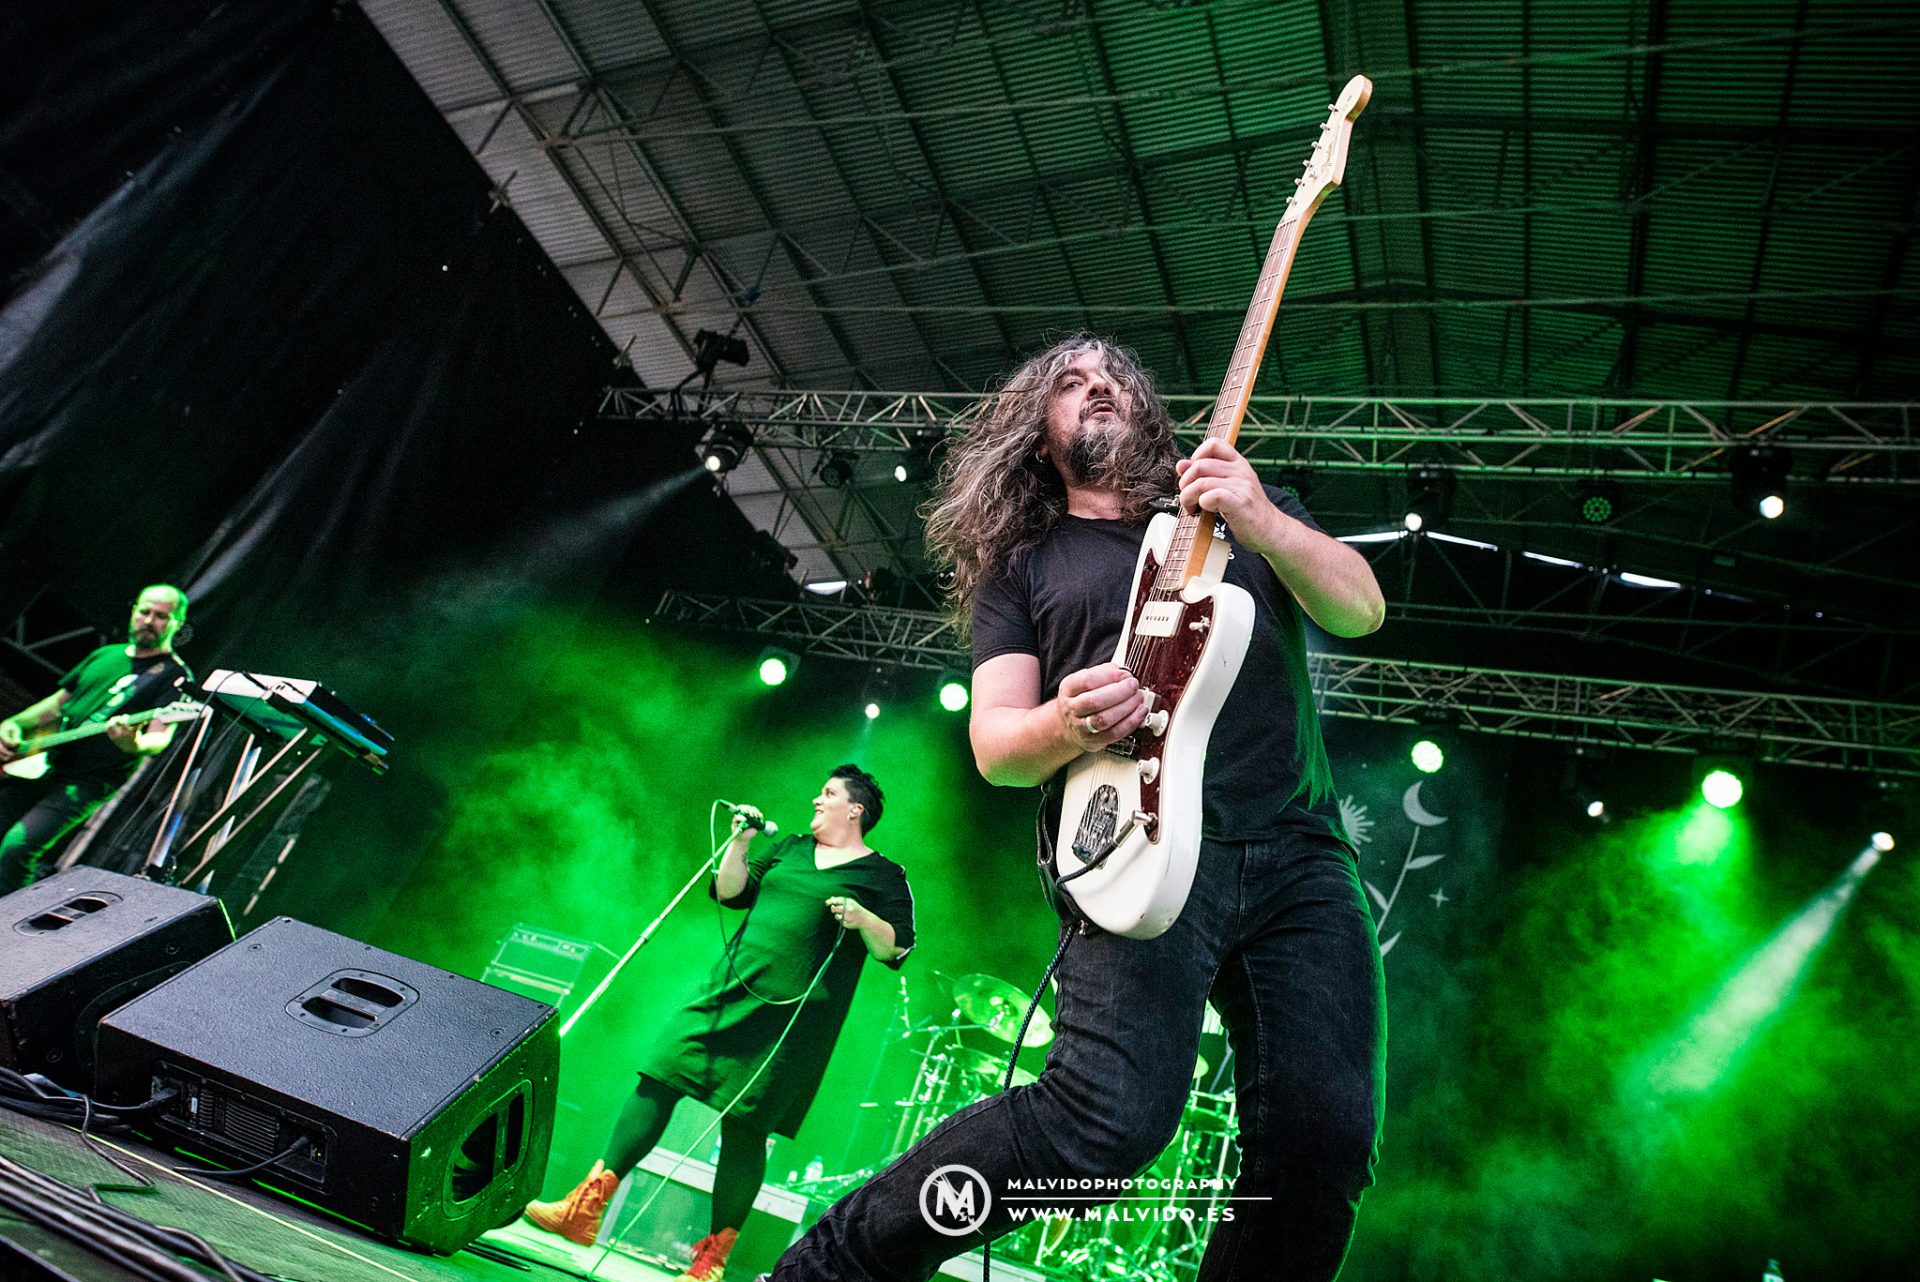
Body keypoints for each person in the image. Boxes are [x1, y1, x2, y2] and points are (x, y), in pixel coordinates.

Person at [765, 335, 1388, 1282]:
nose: (1096, 386)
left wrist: (1264, 520)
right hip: (1130, 842)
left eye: (1113, 378)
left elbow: (1361, 610)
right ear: (1038, 433)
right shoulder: (1024, 566)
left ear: (1145, 410)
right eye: (1069, 382)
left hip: (1296, 845)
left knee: (1322, 1143)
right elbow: (997, 748)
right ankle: (827, 1271)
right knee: (1103, 1122)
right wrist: (1065, 720)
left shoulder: (1228, 501)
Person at [527, 764, 915, 1282]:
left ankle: (710, 1261)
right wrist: (742, 842)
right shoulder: (792, 848)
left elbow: (899, 947)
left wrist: (866, 919)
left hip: (791, 1024)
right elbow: (730, 892)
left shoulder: (882, 875)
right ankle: (584, 1209)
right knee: (658, 1074)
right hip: (727, 990)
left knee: (745, 1128)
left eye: (828, 794)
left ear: (855, 809)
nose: (816, 800)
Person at [0, 585, 193, 891]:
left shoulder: (173, 675)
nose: (148, 620)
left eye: (160, 616)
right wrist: (12, 725)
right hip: (45, 759)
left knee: (16, 849)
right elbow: (57, 704)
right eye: (144, 611)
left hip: (87, 780)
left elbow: (159, 738)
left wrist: (133, 743)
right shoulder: (106, 654)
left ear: (177, 623)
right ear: (133, 611)